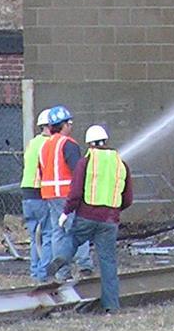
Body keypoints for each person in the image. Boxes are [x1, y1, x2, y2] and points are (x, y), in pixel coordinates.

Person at [49, 124, 133, 313]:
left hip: (86, 216)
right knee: (108, 262)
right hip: (109, 221)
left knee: (73, 239)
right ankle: (111, 306)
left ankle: (62, 258)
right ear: (106, 141)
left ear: (89, 144)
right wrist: (114, 210)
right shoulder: (121, 164)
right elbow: (128, 198)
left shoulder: (85, 162)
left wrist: (66, 212)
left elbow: (75, 192)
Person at [36, 105, 91, 276]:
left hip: (50, 194)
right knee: (77, 229)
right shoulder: (68, 144)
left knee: (58, 232)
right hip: (66, 194)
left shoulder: (45, 146)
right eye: (70, 123)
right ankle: (84, 266)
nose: (71, 126)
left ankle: (61, 272)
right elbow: (78, 171)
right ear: (64, 125)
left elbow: (41, 171)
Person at [20, 108, 54, 282]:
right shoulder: (49, 144)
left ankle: (34, 272)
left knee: (35, 237)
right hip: (40, 192)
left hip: (27, 193)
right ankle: (43, 273)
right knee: (48, 234)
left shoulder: (32, 143)